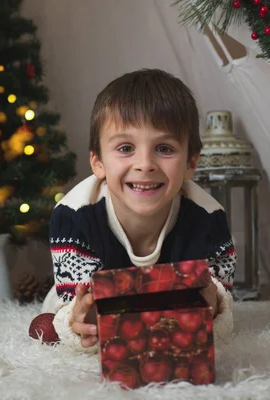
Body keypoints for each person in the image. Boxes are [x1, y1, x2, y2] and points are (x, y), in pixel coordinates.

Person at [41, 69, 236, 353]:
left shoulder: (208, 219)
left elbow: (224, 309)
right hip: (75, 292)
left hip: (168, 304)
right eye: (125, 147)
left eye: (164, 148)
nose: (145, 164)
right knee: (52, 328)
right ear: (97, 162)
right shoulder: (74, 216)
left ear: (191, 163)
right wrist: (77, 320)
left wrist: (213, 301)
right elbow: (76, 310)